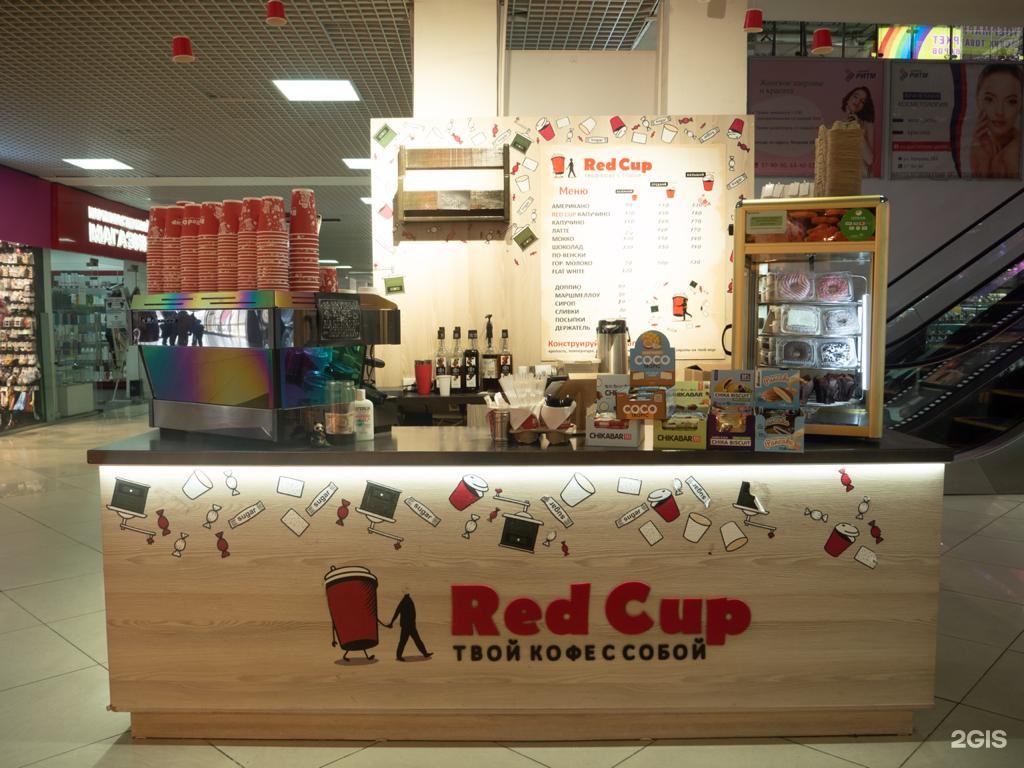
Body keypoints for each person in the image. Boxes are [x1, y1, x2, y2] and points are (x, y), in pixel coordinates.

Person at [969, 63, 1022, 179]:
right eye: (990, 99)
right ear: (978, 99)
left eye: (1011, 101)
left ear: (1021, 104)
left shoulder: (1017, 153)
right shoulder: (968, 147)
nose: (999, 112)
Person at [385, 593, 432, 661]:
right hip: (407, 627)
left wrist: (391, 623)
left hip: (410, 626)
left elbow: (397, 613)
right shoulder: (406, 602)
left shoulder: (405, 602)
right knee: (408, 641)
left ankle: (424, 653)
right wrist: (391, 623)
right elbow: (397, 613)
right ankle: (399, 656)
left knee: (413, 640)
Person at [841, 86, 875, 175]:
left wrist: (856, 128)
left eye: (862, 101)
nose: (858, 101)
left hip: (860, 175)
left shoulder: (867, 125)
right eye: (855, 97)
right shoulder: (835, 125)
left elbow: (869, 160)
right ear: (848, 98)